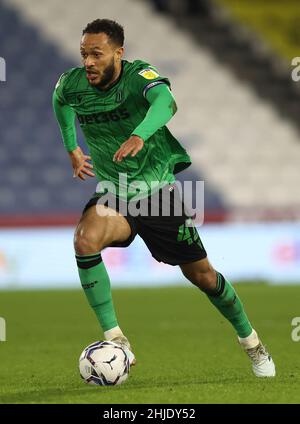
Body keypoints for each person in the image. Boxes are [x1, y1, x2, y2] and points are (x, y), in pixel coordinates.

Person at [53, 18, 275, 377]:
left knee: (203, 277)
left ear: (118, 54)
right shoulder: (73, 84)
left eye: (97, 54)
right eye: (84, 54)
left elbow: (165, 102)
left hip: (158, 195)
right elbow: (59, 100)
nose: (89, 62)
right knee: (84, 240)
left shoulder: (138, 76)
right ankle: (116, 338)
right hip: (115, 192)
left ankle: (251, 341)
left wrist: (140, 135)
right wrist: (72, 148)